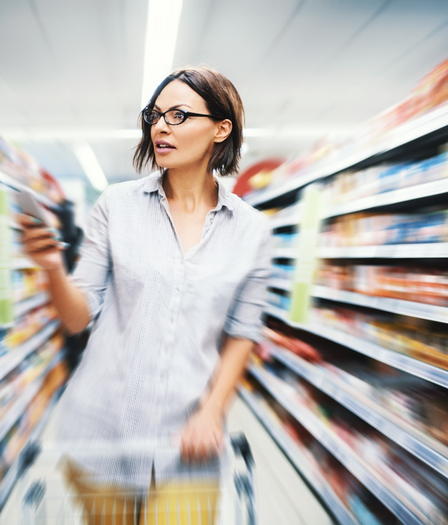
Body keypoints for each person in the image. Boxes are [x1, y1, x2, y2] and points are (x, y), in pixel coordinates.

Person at [19, 66, 270, 525]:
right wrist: (52, 268)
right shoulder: (116, 206)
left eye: (178, 115)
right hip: (101, 429)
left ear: (221, 128)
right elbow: (77, 318)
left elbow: (241, 333)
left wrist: (213, 412)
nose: (160, 126)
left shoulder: (251, 230)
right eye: (155, 114)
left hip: (188, 442)